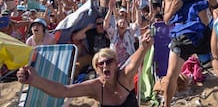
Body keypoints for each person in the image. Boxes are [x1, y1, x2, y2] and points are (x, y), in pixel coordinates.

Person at [17, 30, 154, 107]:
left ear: (116, 64)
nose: (105, 65)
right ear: (96, 69)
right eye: (101, 64)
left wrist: (143, 47)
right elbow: (63, 91)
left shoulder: (123, 79)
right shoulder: (95, 87)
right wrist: (34, 80)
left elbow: (133, 64)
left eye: (109, 61)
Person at [162, 0, 217, 107]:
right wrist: (174, 7)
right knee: (171, 74)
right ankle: (166, 104)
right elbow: (166, 20)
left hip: (203, 32)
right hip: (183, 35)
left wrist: (213, 4)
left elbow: (216, 10)